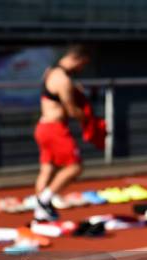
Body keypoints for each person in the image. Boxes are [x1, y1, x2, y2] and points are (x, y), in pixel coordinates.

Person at [34, 44, 90, 221]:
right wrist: (88, 119)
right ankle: (44, 200)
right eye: (83, 64)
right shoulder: (63, 79)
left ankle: (40, 213)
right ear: (77, 59)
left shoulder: (50, 71)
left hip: (42, 126)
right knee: (75, 166)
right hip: (54, 128)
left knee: (47, 170)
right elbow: (71, 109)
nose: (82, 68)